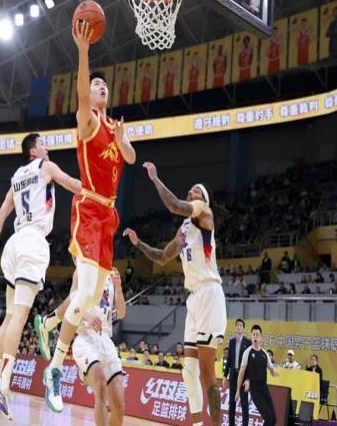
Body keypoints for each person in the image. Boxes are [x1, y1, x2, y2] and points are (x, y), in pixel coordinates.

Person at [43, 20, 136, 413]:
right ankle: (55, 367)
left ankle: (50, 325)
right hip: (89, 209)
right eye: (97, 85)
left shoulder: (114, 127)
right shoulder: (89, 121)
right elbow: (82, 95)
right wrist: (83, 52)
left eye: (104, 86)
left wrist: (123, 141)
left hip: (109, 216)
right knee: (83, 293)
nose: (101, 88)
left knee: (92, 298)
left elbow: (131, 156)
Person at [0, 133, 82, 419]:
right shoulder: (45, 166)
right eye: (43, 144)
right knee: (20, 316)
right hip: (33, 242)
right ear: (34, 151)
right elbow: (72, 184)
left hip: (12, 244)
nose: (47, 147)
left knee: (10, 316)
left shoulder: (16, 177)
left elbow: (1, 214)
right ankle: (3, 383)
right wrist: (97, 192)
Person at [124, 166, 226, 426]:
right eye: (191, 189)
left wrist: (155, 178)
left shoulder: (204, 211)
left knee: (206, 371)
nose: (192, 191)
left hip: (209, 294)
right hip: (193, 298)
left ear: (203, 198)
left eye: (197, 190)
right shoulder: (184, 229)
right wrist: (138, 244)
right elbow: (162, 257)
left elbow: (174, 205)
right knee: (188, 371)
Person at [72, 269, 126, 426]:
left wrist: (119, 288)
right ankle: (86, 371)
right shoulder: (83, 267)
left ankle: (85, 373)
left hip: (106, 341)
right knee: (101, 388)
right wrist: (87, 316)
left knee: (119, 407)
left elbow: (121, 313)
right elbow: (71, 301)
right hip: (85, 337)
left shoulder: (112, 272)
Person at [235, 325, 279, 426]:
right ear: (251, 336)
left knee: (274, 420)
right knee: (268, 418)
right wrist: (237, 391)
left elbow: (271, 369)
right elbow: (241, 373)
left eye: (257, 335)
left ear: (261, 338)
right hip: (255, 389)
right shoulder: (247, 352)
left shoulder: (264, 353)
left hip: (264, 388)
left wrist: (274, 372)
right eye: (253, 334)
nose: (255, 336)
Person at [223, 319, 251, 426]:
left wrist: (248, 379)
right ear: (235, 327)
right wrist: (225, 375)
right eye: (237, 325)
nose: (239, 327)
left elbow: (250, 363)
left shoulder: (248, 342)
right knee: (232, 403)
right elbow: (229, 359)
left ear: (243, 328)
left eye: (241, 325)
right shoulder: (232, 342)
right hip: (233, 376)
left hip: (243, 376)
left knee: (244, 404)